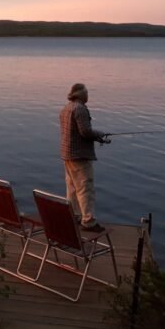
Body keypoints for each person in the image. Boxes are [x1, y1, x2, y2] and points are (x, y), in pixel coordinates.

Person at [59, 83, 109, 232]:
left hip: (67, 154)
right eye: (86, 93)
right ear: (80, 94)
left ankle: (74, 216)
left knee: (72, 188)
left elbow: (74, 132)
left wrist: (99, 138)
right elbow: (85, 132)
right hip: (79, 156)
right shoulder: (80, 109)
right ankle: (88, 221)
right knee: (85, 188)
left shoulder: (66, 108)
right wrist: (99, 134)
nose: (88, 95)